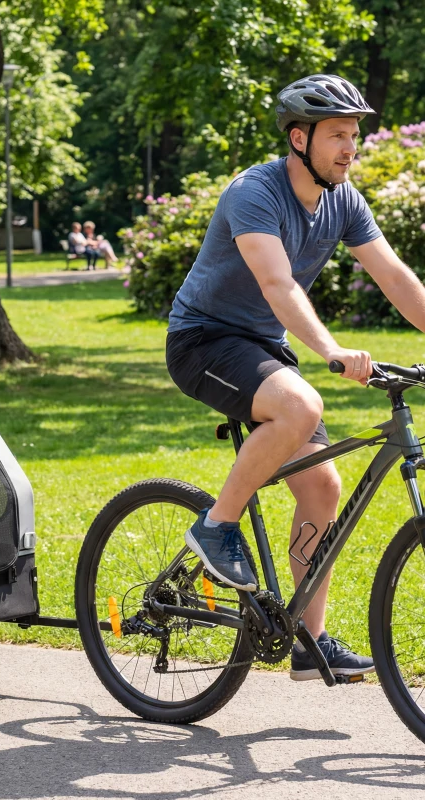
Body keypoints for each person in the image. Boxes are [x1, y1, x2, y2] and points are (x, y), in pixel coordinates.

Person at [166, 74, 425, 681]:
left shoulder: (344, 199)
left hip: (261, 345)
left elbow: (395, 277)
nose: (349, 148)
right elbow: (277, 284)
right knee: (300, 407)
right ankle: (216, 526)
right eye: (338, 135)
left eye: (353, 136)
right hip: (202, 339)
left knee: (322, 489)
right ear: (299, 137)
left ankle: (308, 643)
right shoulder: (253, 192)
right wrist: (332, 348)